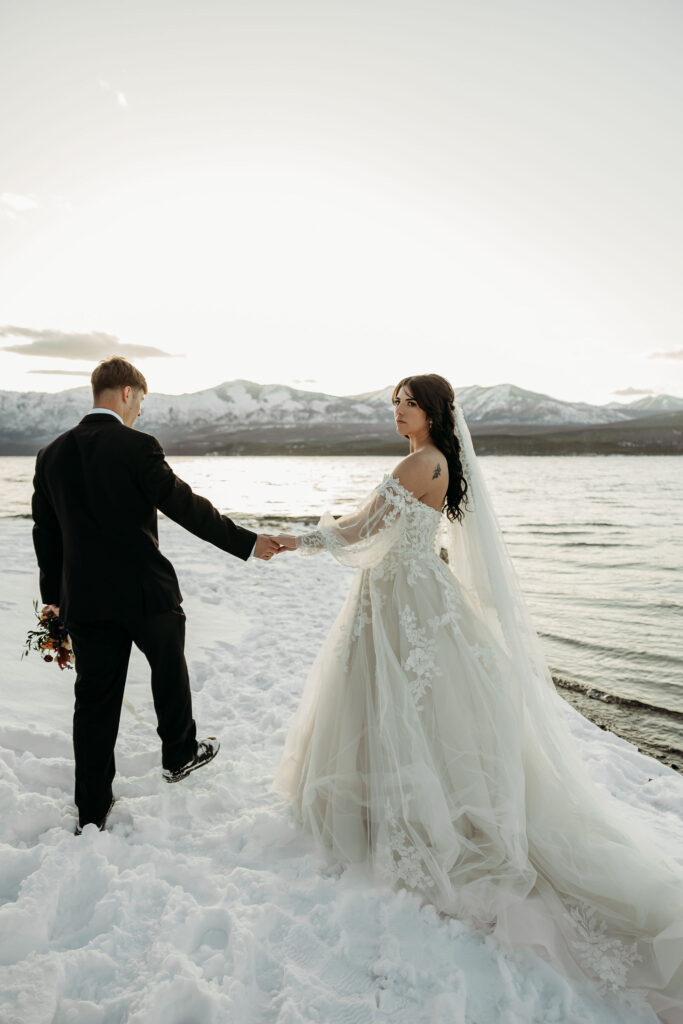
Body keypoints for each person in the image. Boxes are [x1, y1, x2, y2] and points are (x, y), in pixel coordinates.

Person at [272, 374, 683, 1023]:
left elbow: (358, 529)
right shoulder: (435, 461)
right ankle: (394, 803)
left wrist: (291, 540)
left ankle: (418, 816)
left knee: (409, 712)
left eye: (406, 402)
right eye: (394, 404)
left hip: (402, 600)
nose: (397, 412)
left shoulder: (420, 460)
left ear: (432, 411)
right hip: (403, 596)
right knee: (405, 712)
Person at [31, 355, 283, 835]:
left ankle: (91, 807)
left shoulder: (51, 454)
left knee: (95, 700)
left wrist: (54, 599)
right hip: (146, 591)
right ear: (127, 393)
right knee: (169, 668)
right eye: (141, 401)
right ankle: (179, 754)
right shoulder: (137, 445)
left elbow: (47, 535)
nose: (141, 412)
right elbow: (186, 506)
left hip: (85, 600)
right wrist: (247, 543)